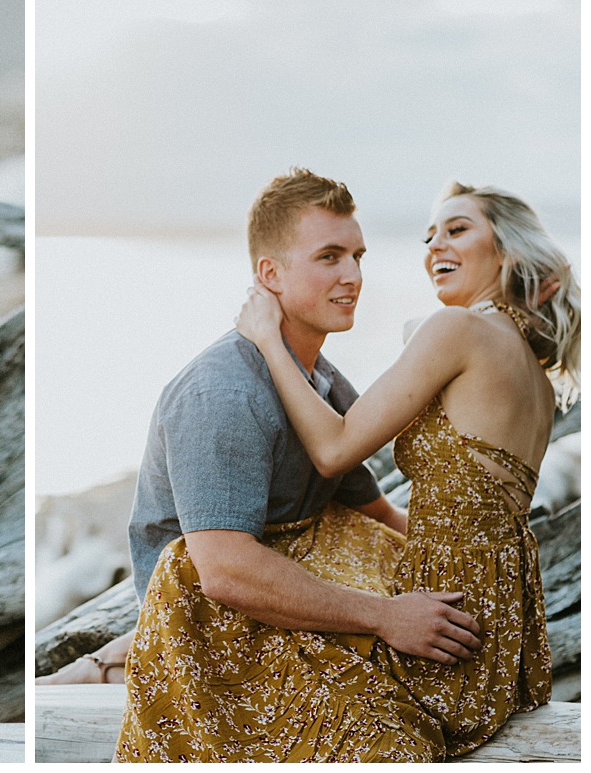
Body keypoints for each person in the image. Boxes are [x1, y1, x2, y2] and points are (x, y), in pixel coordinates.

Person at [91, 169, 484, 761]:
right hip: (207, 623)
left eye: (357, 255)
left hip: (296, 594)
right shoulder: (220, 393)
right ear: (269, 274)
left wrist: (470, 569)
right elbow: (223, 571)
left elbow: (371, 509)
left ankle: (101, 664)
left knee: (457, 677)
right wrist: (384, 617)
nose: (352, 276)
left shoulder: (319, 381)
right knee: (388, 742)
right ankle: (108, 666)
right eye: (329, 257)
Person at [215, 181, 571, 759]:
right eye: (430, 236)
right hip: (502, 628)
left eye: (457, 230)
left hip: (442, 627)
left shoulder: (458, 330)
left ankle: (103, 670)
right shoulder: (529, 364)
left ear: (507, 251)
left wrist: (268, 339)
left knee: (213, 610)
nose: (435, 247)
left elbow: (334, 450)